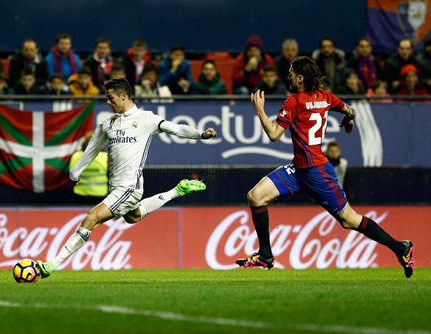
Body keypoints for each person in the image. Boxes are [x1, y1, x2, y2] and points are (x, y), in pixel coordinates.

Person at [236, 56, 414, 278]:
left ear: (300, 78)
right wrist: (348, 120)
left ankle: (400, 247)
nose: (288, 76)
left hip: (317, 172)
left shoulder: (294, 101)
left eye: (291, 73)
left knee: (349, 220)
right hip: (300, 169)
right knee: (256, 196)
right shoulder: (326, 97)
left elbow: (273, 134)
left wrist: (259, 110)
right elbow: (351, 110)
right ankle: (265, 254)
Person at [36, 78, 217, 278]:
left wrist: (201, 134)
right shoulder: (107, 124)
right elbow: (92, 149)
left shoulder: (146, 119)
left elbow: (177, 129)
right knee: (132, 216)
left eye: (110, 97)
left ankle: (51, 265)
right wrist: (74, 173)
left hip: (130, 187)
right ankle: (177, 190)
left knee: (91, 218)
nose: (107, 102)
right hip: (116, 188)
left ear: (123, 96)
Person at [69, 131, 109, 204]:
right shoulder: (105, 157)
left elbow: (72, 177)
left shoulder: (75, 156)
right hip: (100, 195)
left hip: (80, 195)